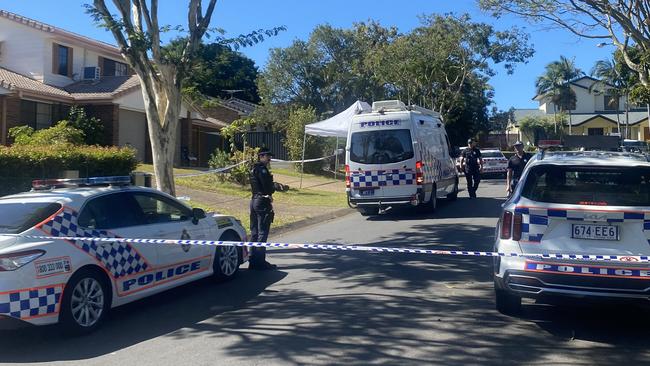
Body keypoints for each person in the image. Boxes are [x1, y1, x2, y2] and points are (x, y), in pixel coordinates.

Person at [248, 147, 277, 270]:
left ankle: (253, 260)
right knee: (262, 232)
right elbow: (267, 187)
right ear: (261, 156)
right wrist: (274, 188)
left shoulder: (253, 168)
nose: (269, 158)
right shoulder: (262, 170)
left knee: (254, 232)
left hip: (254, 200)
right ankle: (260, 262)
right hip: (262, 201)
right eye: (267, 156)